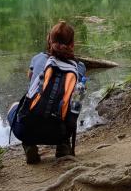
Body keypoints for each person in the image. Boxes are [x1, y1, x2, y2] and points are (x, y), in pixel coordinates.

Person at [7, 20, 87, 164]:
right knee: (69, 107)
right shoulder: (79, 67)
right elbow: (76, 104)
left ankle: (29, 144)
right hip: (59, 133)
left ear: (49, 41)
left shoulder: (39, 58)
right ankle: (63, 145)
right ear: (72, 44)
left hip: (27, 129)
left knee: (13, 106)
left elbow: (30, 79)